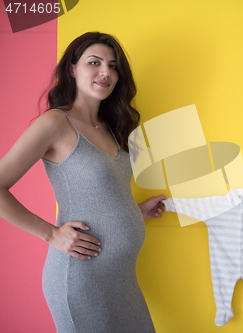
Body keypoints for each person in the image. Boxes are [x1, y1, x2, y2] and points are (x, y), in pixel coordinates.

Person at [0, 32, 166, 332]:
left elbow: (99, 193)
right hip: (81, 280)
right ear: (73, 68)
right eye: (95, 62)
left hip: (122, 279)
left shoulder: (114, 127)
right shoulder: (54, 124)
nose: (106, 72)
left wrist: (135, 211)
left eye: (113, 66)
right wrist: (50, 234)